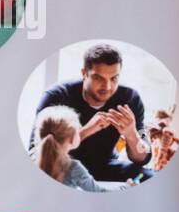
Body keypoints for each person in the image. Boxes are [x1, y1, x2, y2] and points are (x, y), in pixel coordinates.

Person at [29, 44, 150, 182]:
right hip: (64, 167)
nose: (107, 87)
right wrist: (85, 131)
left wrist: (131, 135)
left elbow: (144, 158)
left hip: (107, 166)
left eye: (114, 78)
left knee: (149, 176)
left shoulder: (130, 99)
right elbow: (35, 154)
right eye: (98, 78)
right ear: (84, 73)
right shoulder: (56, 97)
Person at [32, 107, 106, 191]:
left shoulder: (33, 160)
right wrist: (124, 186)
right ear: (72, 139)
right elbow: (98, 191)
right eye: (78, 131)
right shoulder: (73, 168)